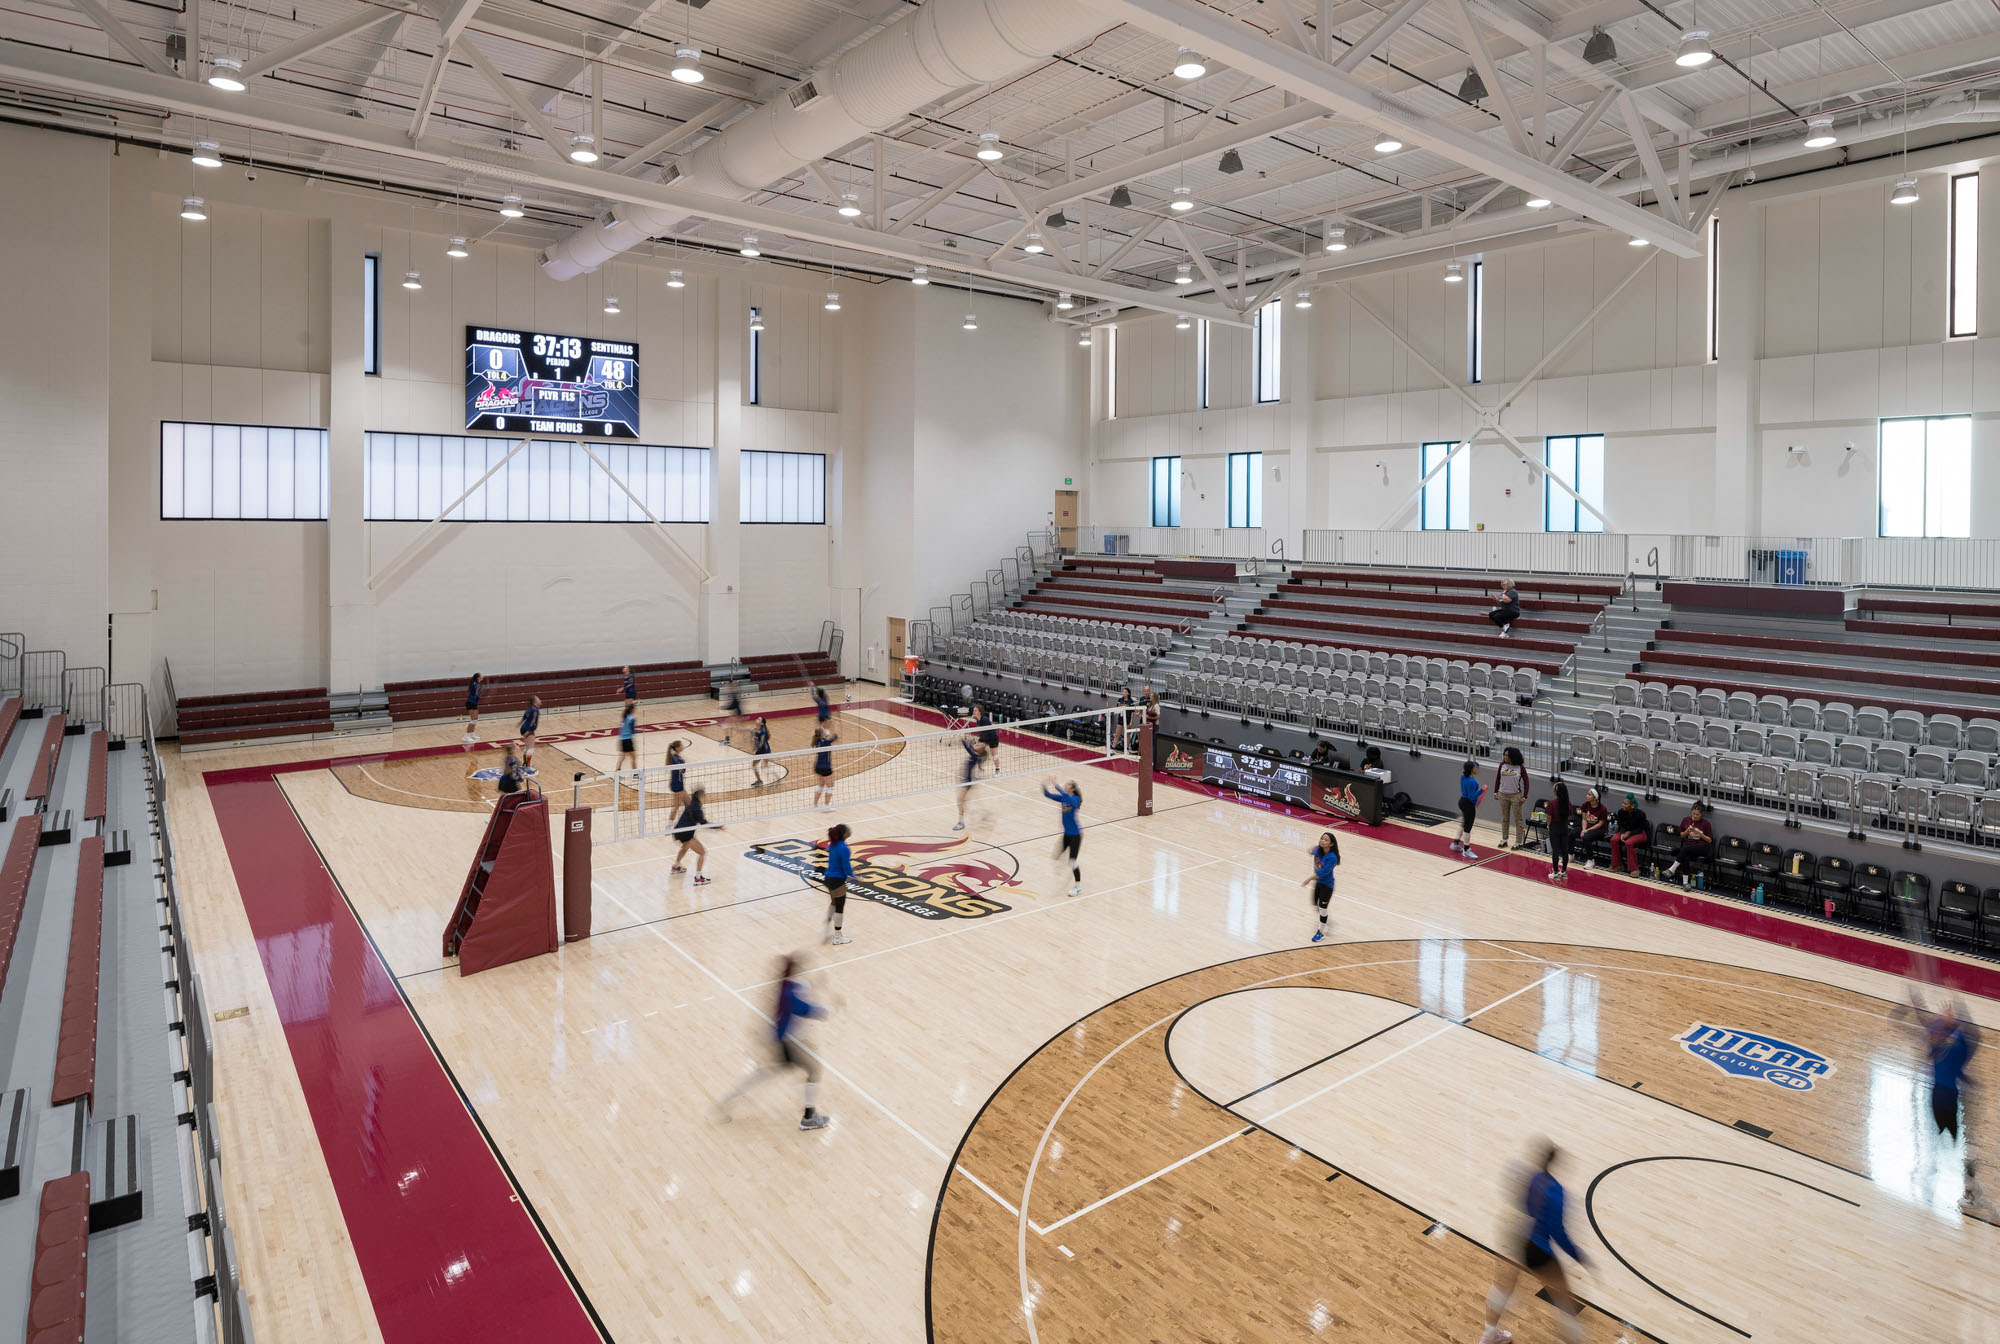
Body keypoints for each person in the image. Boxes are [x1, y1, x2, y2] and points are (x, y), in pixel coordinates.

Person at [1479, 1142, 1589, 1344]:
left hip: (1515, 1237)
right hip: (1537, 1249)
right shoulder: (1557, 1193)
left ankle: (1489, 1335)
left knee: (1502, 1287)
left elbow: (1511, 1195)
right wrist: (1578, 1255)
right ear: (1556, 1163)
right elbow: (1558, 1233)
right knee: (1565, 1301)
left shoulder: (1526, 1176)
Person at [1894, 995, 1993, 1216]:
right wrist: (1918, 1001)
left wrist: (1915, 1001)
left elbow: (1922, 1022)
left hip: (1944, 1096)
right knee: (1960, 1142)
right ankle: (1964, 1185)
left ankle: (1964, 1185)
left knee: (1957, 1143)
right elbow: (1971, 1035)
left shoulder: (1947, 1040)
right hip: (1945, 1097)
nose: (1942, 1014)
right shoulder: (1950, 1040)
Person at [717, 955, 830, 1131]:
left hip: (780, 1040)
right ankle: (809, 1117)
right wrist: (824, 1011)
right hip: (789, 1042)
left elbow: (802, 990)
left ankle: (727, 1101)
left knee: (762, 1075)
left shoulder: (786, 985)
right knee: (814, 1069)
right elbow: (803, 1008)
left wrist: (814, 985)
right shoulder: (789, 991)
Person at [1044, 778, 1084, 896]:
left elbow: (1071, 802)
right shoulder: (1063, 797)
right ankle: (1065, 868)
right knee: (1056, 855)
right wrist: (1044, 786)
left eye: (1067, 784)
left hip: (1076, 835)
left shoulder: (1075, 799)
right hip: (1067, 834)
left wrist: (1058, 786)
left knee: (1072, 862)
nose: (1065, 784)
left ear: (1071, 788)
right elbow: (1048, 795)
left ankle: (1078, 887)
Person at [671, 787, 717, 885]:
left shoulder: (692, 804)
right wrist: (718, 826)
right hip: (685, 833)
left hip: (678, 831)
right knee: (702, 852)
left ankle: (676, 866)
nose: (706, 797)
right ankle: (698, 878)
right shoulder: (697, 808)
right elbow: (703, 823)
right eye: (705, 796)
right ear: (701, 796)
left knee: (685, 847)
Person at [817, 824, 854, 946]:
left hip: (828, 878)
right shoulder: (844, 848)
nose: (850, 830)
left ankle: (826, 928)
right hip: (837, 880)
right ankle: (837, 937)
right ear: (844, 834)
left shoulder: (833, 844)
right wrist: (855, 875)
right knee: (839, 907)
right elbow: (846, 868)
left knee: (833, 903)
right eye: (848, 829)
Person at [1302, 831, 1340, 943]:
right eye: (1322, 839)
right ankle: (1327, 921)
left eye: (1326, 840)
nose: (1322, 841)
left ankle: (1320, 932)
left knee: (1323, 908)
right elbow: (1310, 850)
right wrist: (1311, 850)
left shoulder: (1332, 858)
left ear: (1331, 844)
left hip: (1327, 886)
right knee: (1315, 905)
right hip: (1318, 883)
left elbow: (1321, 873)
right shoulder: (1318, 850)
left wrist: (1308, 880)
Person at [1663, 803, 1714, 881]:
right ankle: (1685, 883)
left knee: (1685, 849)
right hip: (1689, 845)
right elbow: (1682, 835)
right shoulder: (1686, 820)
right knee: (1685, 856)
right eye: (1693, 813)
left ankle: (1672, 869)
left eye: (1697, 814)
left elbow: (1709, 840)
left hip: (1702, 847)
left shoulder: (1706, 824)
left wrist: (1700, 833)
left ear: (1701, 814)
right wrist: (1687, 831)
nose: (1695, 816)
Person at [1495, 747, 1530, 849]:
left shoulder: (1520, 767)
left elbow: (1526, 782)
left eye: (1507, 755)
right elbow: (1498, 778)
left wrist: (1525, 796)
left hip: (1515, 796)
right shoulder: (1502, 765)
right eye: (1504, 755)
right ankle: (1504, 839)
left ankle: (1518, 842)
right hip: (1502, 794)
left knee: (1518, 819)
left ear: (1513, 757)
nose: (1505, 757)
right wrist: (1495, 791)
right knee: (1504, 818)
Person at [1607, 793, 1650, 874]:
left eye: (1625, 804)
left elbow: (1641, 828)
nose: (1622, 805)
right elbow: (1621, 824)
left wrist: (1629, 833)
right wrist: (1623, 833)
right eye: (1623, 803)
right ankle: (1617, 865)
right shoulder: (1621, 812)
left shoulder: (1640, 814)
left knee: (1629, 843)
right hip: (1626, 832)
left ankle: (1634, 869)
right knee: (1614, 840)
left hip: (1640, 833)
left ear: (1632, 806)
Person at [953, 735, 989, 831]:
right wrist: (966, 738)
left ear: (979, 751)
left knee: (960, 802)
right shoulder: (975, 754)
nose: (976, 745)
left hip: (967, 782)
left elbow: (968, 748)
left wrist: (963, 741)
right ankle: (982, 815)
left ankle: (961, 822)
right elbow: (972, 744)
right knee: (963, 802)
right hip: (965, 781)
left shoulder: (975, 756)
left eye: (978, 746)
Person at [1451, 760, 1485, 859]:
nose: (1477, 768)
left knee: (1464, 823)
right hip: (1468, 804)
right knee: (1468, 827)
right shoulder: (1473, 782)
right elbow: (1471, 797)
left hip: (1462, 801)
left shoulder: (1463, 776)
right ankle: (1466, 850)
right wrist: (1481, 791)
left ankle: (1456, 843)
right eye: (1475, 767)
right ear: (1471, 769)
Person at [1544, 780, 1575, 882]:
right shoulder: (1568, 803)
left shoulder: (1552, 803)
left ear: (1556, 792)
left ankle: (1556, 872)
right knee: (1565, 849)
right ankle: (1564, 872)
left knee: (1555, 850)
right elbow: (1570, 815)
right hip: (1564, 827)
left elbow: (1549, 817)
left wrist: (1548, 826)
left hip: (1555, 827)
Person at [1575, 787, 1609, 869]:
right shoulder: (1585, 805)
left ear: (1595, 798)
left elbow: (1600, 824)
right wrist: (1583, 829)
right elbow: (1584, 819)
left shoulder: (1603, 809)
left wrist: (1587, 830)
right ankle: (1571, 855)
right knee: (1572, 833)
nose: (1587, 796)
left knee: (1586, 837)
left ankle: (1591, 860)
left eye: (1589, 795)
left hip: (1598, 830)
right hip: (1586, 827)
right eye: (1587, 794)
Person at [810, 724, 839, 811]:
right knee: (830, 787)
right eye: (824, 730)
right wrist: (838, 727)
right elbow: (836, 737)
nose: (826, 731)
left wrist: (825, 733)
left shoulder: (817, 741)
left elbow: (824, 738)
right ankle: (826, 807)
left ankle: (815, 804)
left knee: (820, 786)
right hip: (826, 768)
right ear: (822, 734)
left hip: (817, 767)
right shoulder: (826, 742)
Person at [517, 695, 542, 768]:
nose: (540, 700)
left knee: (527, 747)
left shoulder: (530, 708)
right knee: (530, 748)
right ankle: (528, 766)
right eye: (538, 699)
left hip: (524, 728)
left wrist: (520, 723)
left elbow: (524, 717)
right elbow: (532, 722)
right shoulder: (535, 710)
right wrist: (528, 732)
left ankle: (525, 764)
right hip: (529, 729)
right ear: (535, 702)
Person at [720, 678, 745, 748]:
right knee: (732, 726)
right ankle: (728, 739)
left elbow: (733, 705)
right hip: (736, 712)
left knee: (728, 725)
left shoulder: (734, 693)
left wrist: (724, 708)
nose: (727, 686)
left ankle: (728, 740)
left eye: (729, 685)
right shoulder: (733, 692)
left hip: (737, 712)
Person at [750, 716, 774, 787]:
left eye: (759, 719)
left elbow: (761, 743)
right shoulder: (754, 730)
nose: (757, 719)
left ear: (762, 723)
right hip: (759, 751)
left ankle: (772, 780)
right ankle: (759, 781)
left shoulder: (763, 732)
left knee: (764, 767)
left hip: (765, 751)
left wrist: (755, 748)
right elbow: (755, 741)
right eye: (757, 718)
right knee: (754, 765)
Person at [615, 702, 639, 777]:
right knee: (634, 757)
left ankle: (617, 773)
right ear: (633, 709)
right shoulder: (632, 718)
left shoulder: (624, 717)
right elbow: (632, 731)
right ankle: (635, 774)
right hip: (628, 739)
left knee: (622, 757)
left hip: (622, 739)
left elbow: (621, 729)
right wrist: (638, 730)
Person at [666, 739, 689, 814]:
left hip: (679, 783)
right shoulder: (675, 758)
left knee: (688, 804)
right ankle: (669, 825)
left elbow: (682, 770)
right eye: (681, 745)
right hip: (677, 784)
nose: (683, 746)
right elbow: (681, 769)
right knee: (676, 806)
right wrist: (683, 762)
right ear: (677, 748)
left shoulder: (677, 757)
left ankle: (687, 822)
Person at [463, 672, 483, 736]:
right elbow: (477, 694)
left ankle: (471, 734)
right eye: (481, 675)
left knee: (475, 720)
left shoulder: (477, 684)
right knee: (473, 720)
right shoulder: (476, 685)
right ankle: (466, 735)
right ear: (478, 677)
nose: (483, 676)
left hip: (474, 702)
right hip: (471, 702)